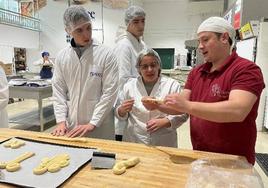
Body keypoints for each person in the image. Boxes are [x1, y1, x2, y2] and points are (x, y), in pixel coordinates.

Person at [144, 17, 265, 164]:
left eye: (205, 40)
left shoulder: (246, 69)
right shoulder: (197, 72)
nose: (200, 46)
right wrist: (158, 105)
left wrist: (187, 106)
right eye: (199, 42)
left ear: (224, 38)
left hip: (234, 160)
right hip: (200, 154)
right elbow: (180, 106)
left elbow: (237, 110)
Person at [51, 5, 118, 139]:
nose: (86, 34)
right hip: (73, 126)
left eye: (88, 28)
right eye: (79, 30)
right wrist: (61, 121)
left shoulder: (106, 54)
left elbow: (110, 92)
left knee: (100, 159)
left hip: (100, 127)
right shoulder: (62, 57)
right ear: (68, 31)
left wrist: (93, 123)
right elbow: (58, 91)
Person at [115, 49, 188, 147]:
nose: (149, 69)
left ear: (159, 66)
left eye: (153, 65)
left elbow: (184, 112)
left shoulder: (172, 85)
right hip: (135, 139)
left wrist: (165, 122)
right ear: (138, 69)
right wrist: (122, 110)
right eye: (145, 66)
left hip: (163, 141)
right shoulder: (129, 86)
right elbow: (118, 112)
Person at [113, 5, 147, 141]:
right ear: (128, 23)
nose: (141, 25)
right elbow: (122, 81)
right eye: (136, 22)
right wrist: (123, 110)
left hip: (138, 105)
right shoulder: (124, 46)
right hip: (126, 108)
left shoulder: (142, 45)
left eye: (143, 21)